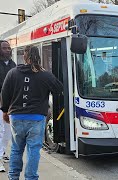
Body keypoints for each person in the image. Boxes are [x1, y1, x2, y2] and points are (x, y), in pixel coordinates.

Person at [1, 45, 63, 180]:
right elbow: (59, 89)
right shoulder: (45, 74)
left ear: (24, 56)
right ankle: (31, 178)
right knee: (33, 150)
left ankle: (13, 177)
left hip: (16, 117)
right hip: (36, 118)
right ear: (38, 56)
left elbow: (4, 94)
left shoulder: (12, 72)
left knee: (16, 149)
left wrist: (5, 111)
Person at [0, 40, 16, 172]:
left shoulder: (13, 64)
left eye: (9, 48)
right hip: (0, 103)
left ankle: (2, 152)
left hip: (10, 104)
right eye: (5, 48)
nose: (8, 50)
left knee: (7, 133)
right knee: (1, 132)